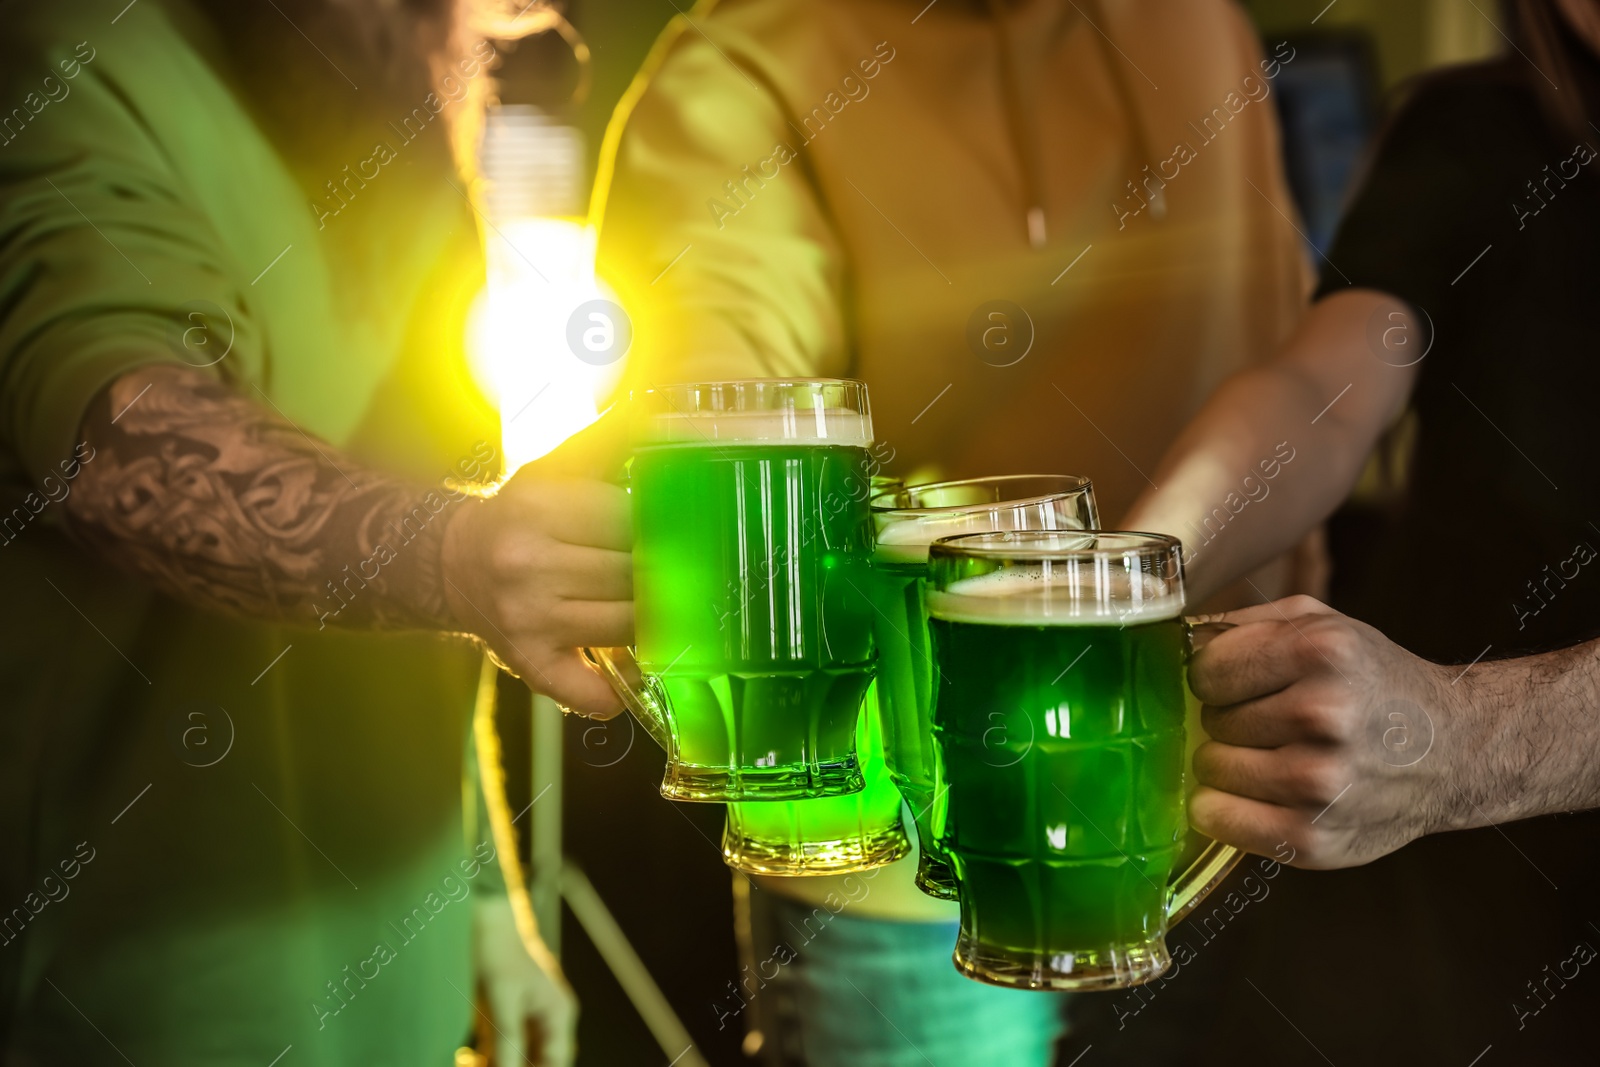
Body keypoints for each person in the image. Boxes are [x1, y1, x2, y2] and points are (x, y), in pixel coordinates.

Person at [591, 0, 1316, 1061]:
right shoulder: (741, 68)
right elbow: (724, 396)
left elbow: (1277, 334)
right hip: (922, 884)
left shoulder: (1196, 20)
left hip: (1234, 813)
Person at [0, 1, 628, 1062]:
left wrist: (484, 896)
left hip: (413, 998)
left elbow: (420, 514)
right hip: (158, 1012)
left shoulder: (406, 109)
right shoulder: (66, 56)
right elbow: (117, 445)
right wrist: (452, 559)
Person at [1085, 0, 1600, 1061]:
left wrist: (1460, 739)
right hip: (1413, 900)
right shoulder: (1477, 133)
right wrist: (1133, 571)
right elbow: (1325, 380)